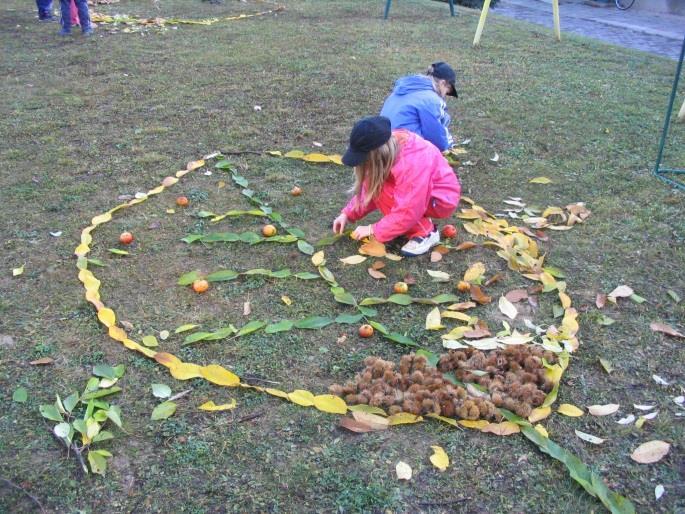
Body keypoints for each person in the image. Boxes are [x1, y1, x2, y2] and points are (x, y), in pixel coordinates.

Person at [332, 116, 461, 257]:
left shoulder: (411, 164)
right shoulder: (390, 150)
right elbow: (370, 187)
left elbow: (409, 208)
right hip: (420, 193)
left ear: (378, 155)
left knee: (390, 195)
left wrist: (373, 229)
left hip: (441, 199)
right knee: (381, 187)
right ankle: (408, 224)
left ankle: (426, 232)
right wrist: (348, 213)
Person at [380, 62, 458, 152]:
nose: (445, 95)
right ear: (442, 83)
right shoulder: (431, 99)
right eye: (448, 90)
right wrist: (448, 142)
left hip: (384, 147)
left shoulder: (405, 88)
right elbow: (437, 140)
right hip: (401, 150)